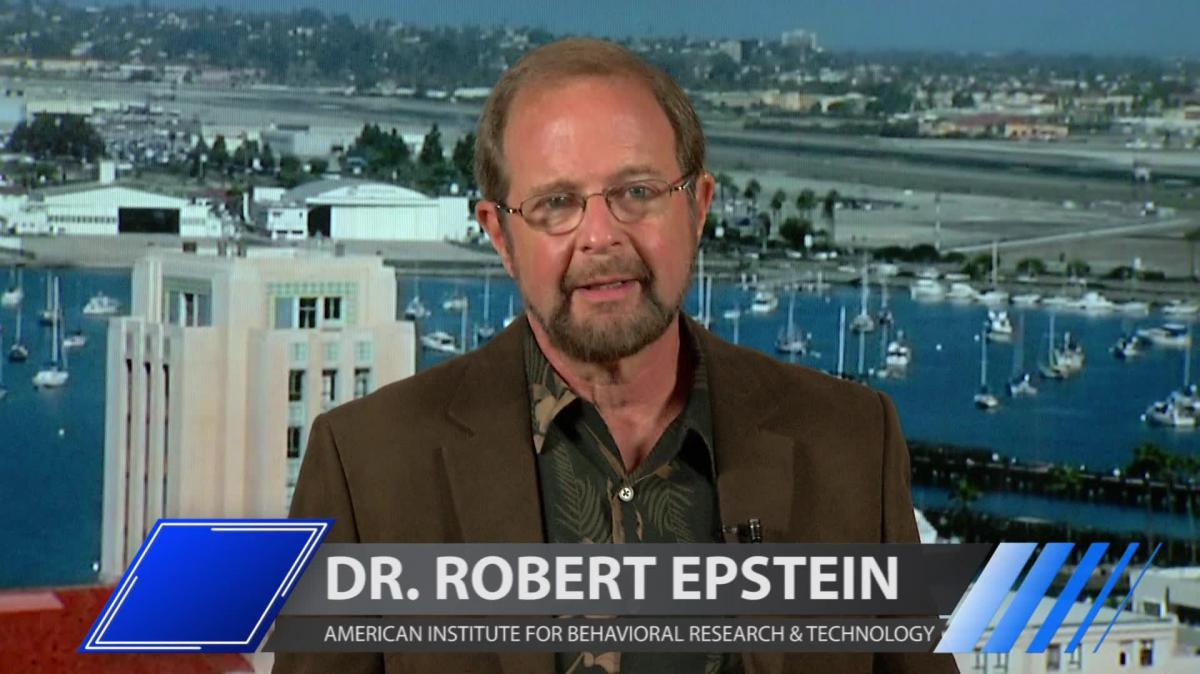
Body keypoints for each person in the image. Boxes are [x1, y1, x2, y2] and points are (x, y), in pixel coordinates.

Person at [273, 38, 958, 674]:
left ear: (698, 207)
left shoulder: (850, 442)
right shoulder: (367, 467)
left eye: (637, 193)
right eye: (556, 203)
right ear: (500, 236)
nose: (600, 236)